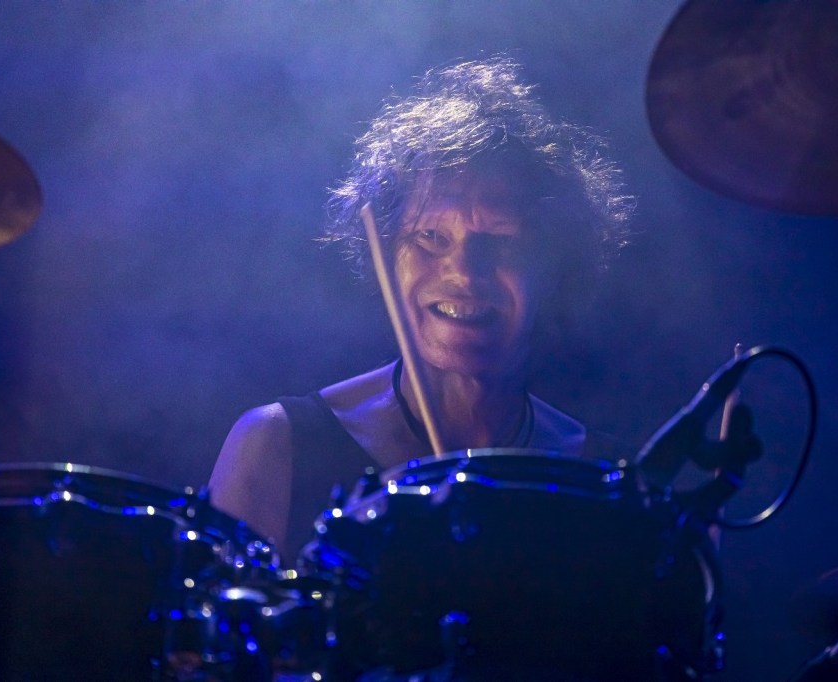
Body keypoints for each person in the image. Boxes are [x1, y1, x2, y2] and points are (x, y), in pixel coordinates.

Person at [207, 56, 635, 557]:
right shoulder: (277, 445)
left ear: (555, 266)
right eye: (430, 237)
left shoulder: (608, 482)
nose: (464, 273)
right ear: (385, 255)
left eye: (501, 241)